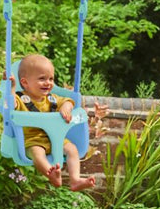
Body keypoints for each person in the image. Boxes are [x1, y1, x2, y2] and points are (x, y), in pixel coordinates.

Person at [11, 53, 107, 190]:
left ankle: (75, 180)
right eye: (42, 79)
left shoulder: (53, 99)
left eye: (51, 79)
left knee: (72, 150)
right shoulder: (21, 99)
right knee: (38, 155)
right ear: (25, 83)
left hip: (56, 139)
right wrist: (12, 88)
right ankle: (51, 174)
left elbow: (68, 101)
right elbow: (11, 104)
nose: (48, 83)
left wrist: (66, 108)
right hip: (33, 140)